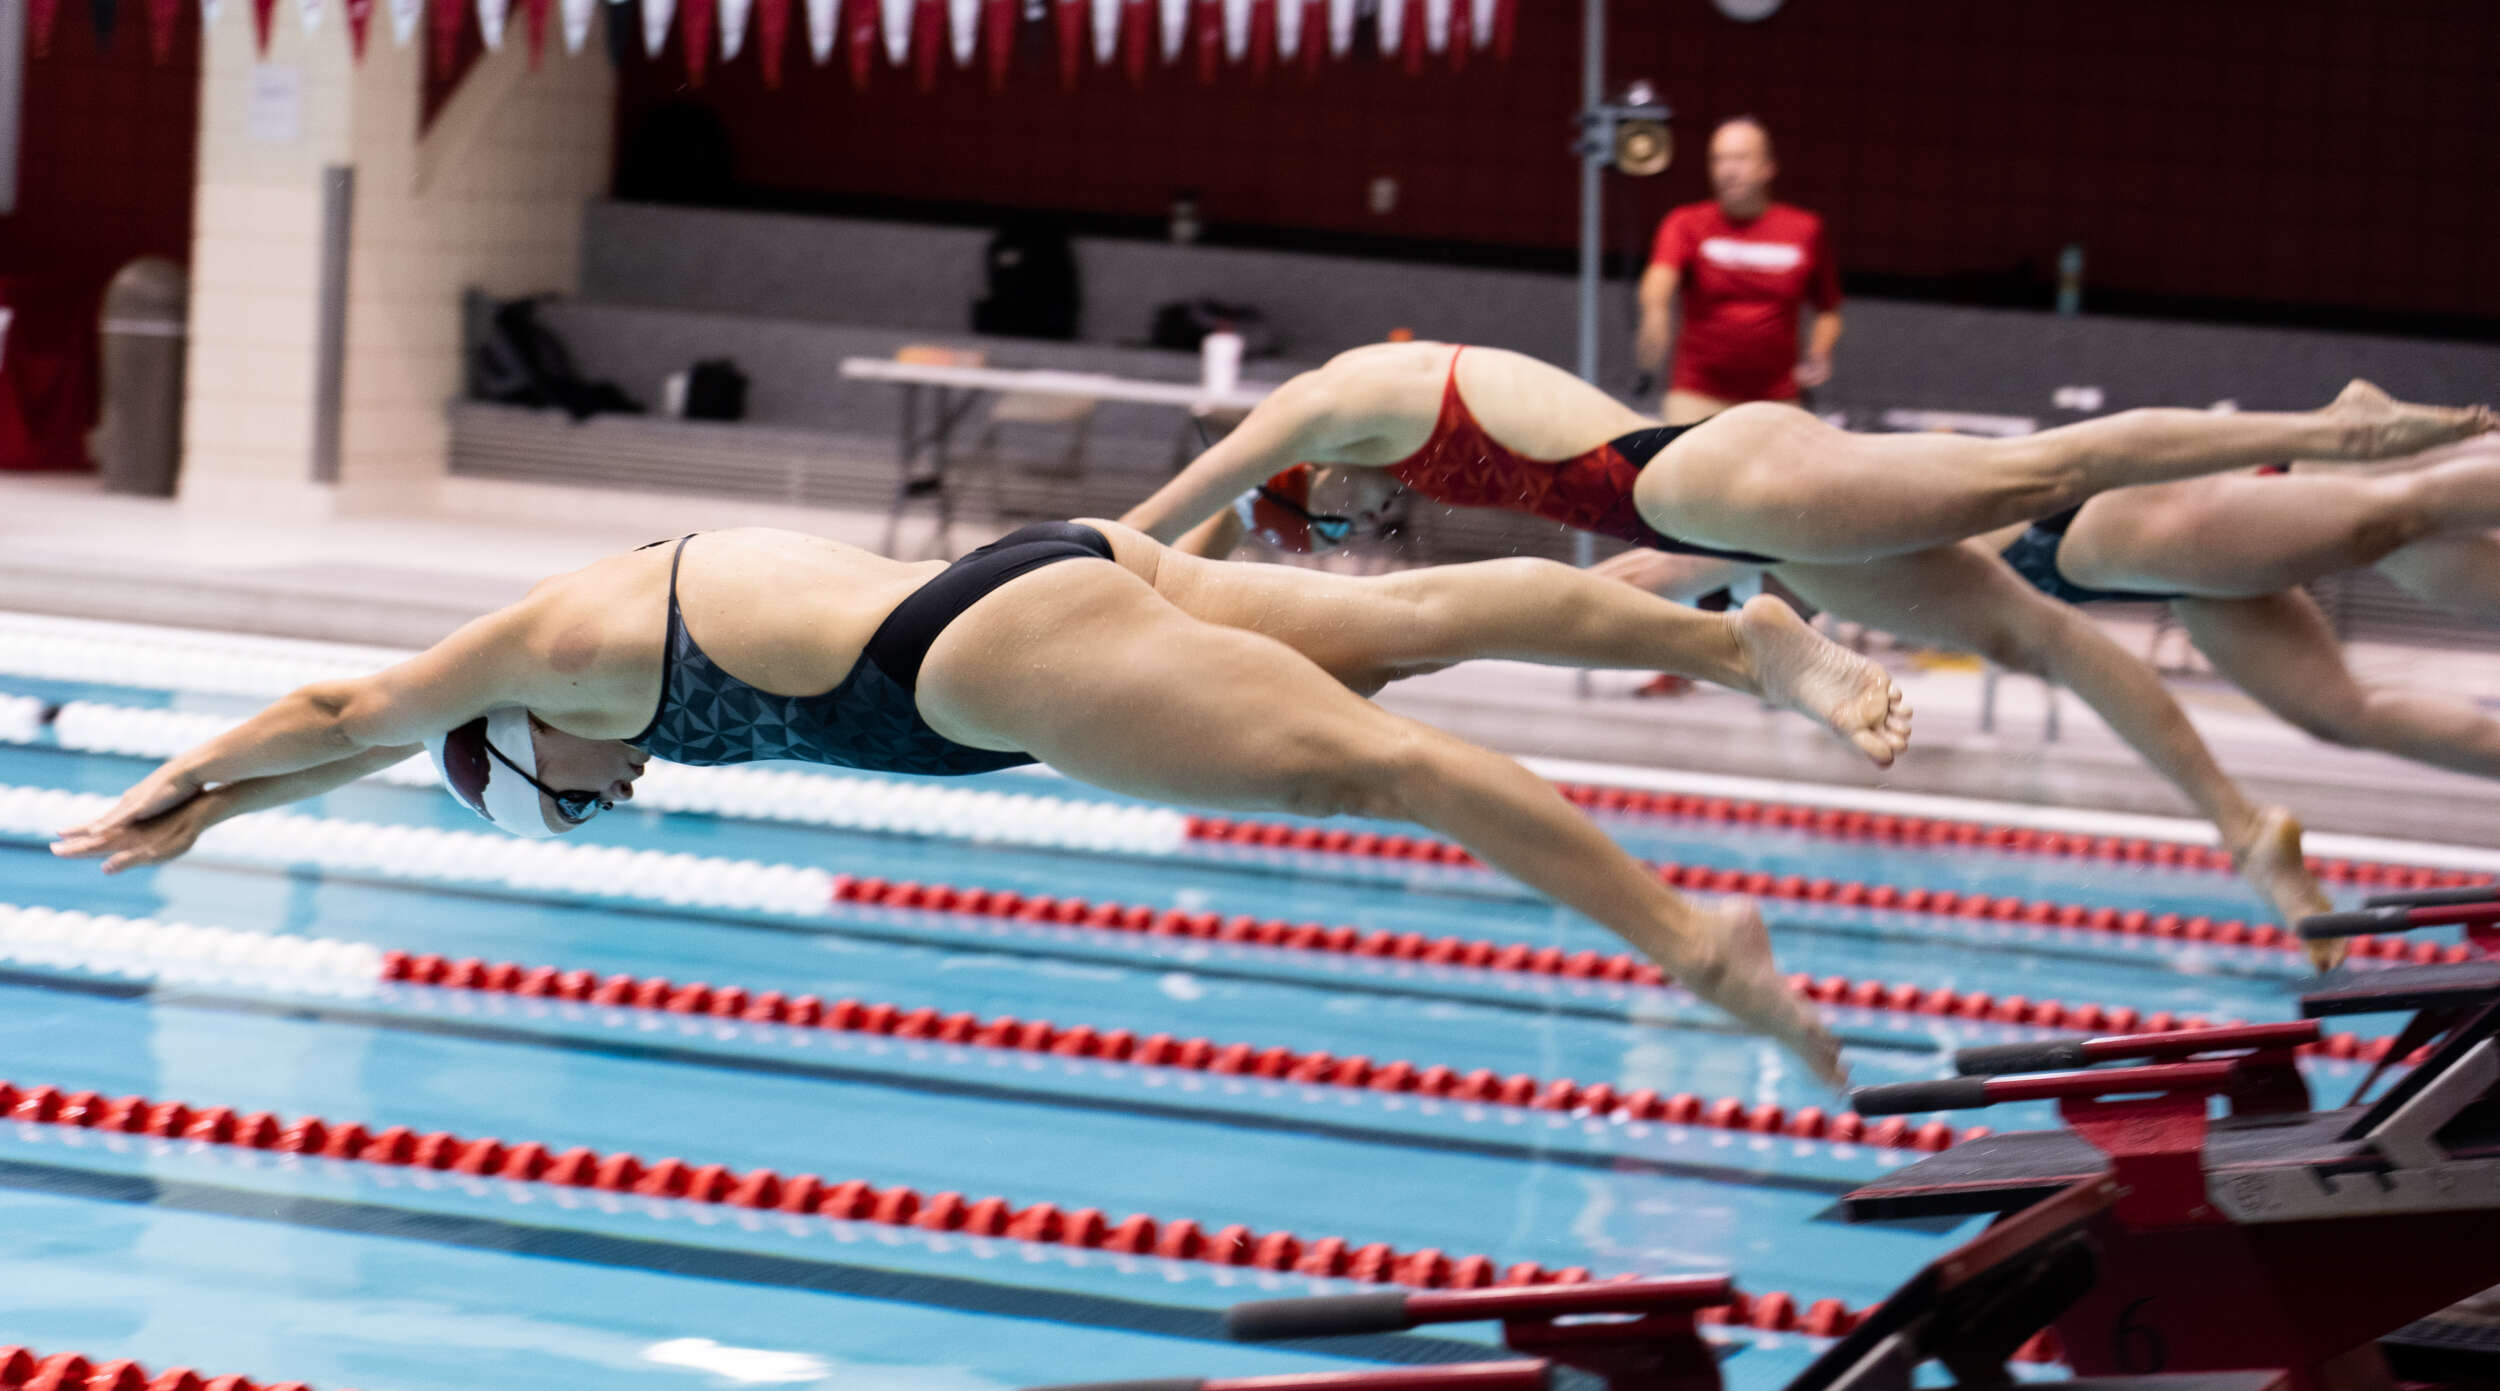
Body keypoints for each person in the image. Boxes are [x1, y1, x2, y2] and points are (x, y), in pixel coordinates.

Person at [52, 521, 1920, 1088]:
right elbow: (373, 739)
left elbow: (344, 703)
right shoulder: (558, 665)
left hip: (974, 662)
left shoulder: (560, 650)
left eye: (587, 807)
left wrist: (175, 781)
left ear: (541, 746)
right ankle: (1742, 637)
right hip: (1033, 576)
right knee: (1398, 631)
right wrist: (221, 824)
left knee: (1382, 761)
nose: (619, 801)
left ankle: (1698, 941)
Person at [1121, 339, 2495, 943]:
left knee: (2037, 473)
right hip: (1727, 520)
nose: (1361, 521)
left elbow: (1160, 527)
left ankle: (2335, 427)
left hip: (1730, 474)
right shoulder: (1354, 457)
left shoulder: (1324, 401)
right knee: (2038, 632)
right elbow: (1335, 591)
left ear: (1281, 486)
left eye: (1318, 519)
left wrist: (1091, 588)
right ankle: (2247, 825)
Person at [1967, 436, 2500, 780]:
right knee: (2337, 715)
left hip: (2101, 528)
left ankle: (2315, 459)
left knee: (2386, 512)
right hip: (2113, 568)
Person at [1635, 117, 1843, 425]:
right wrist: (1655, 310)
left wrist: (1820, 351)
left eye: (1741, 159)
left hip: (1777, 397)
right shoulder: (1685, 222)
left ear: (1768, 167)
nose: (1728, 170)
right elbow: (1659, 277)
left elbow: (1828, 309)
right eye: (1719, 159)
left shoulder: (1806, 230)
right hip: (1697, 392)